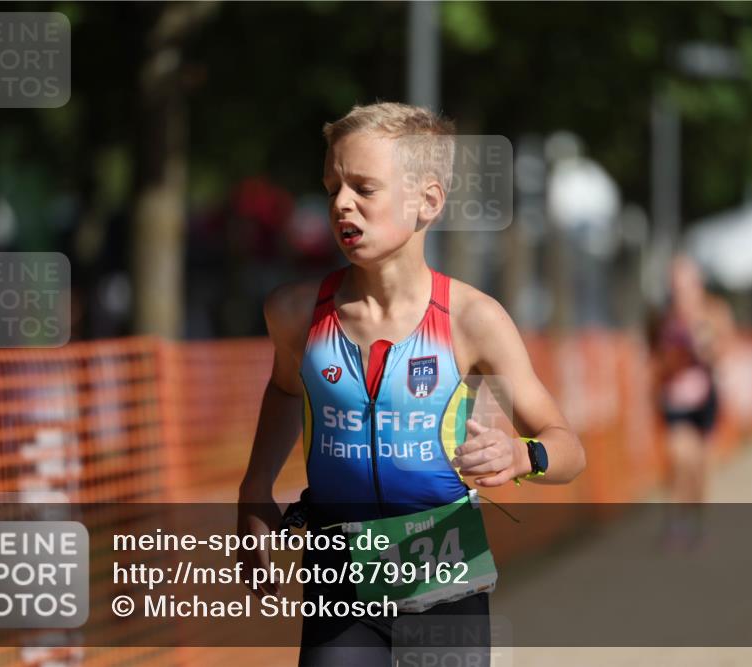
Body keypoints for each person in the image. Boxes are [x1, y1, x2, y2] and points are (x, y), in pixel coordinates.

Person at [236, 102, 586, 666]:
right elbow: (284, 388)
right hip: (338, 581)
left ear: (428, 200)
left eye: (364, 188)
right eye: (332, 188)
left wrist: (524, 455)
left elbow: (569, 448)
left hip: (444, 578)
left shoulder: (473, 320)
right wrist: (254, 491)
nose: (341, 204)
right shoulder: (297, 314)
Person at [649, 255, 734, 550]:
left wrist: (705, 343)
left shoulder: (714, 312)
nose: (680, 291)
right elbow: (653, 358)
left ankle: (697, 520)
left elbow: (725, 352)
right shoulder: (663, 317)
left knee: (700, 465)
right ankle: (675, 522)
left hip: (706, 400)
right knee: (679, 457)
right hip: (675, 401)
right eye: (675, 284)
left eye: (686, 283)